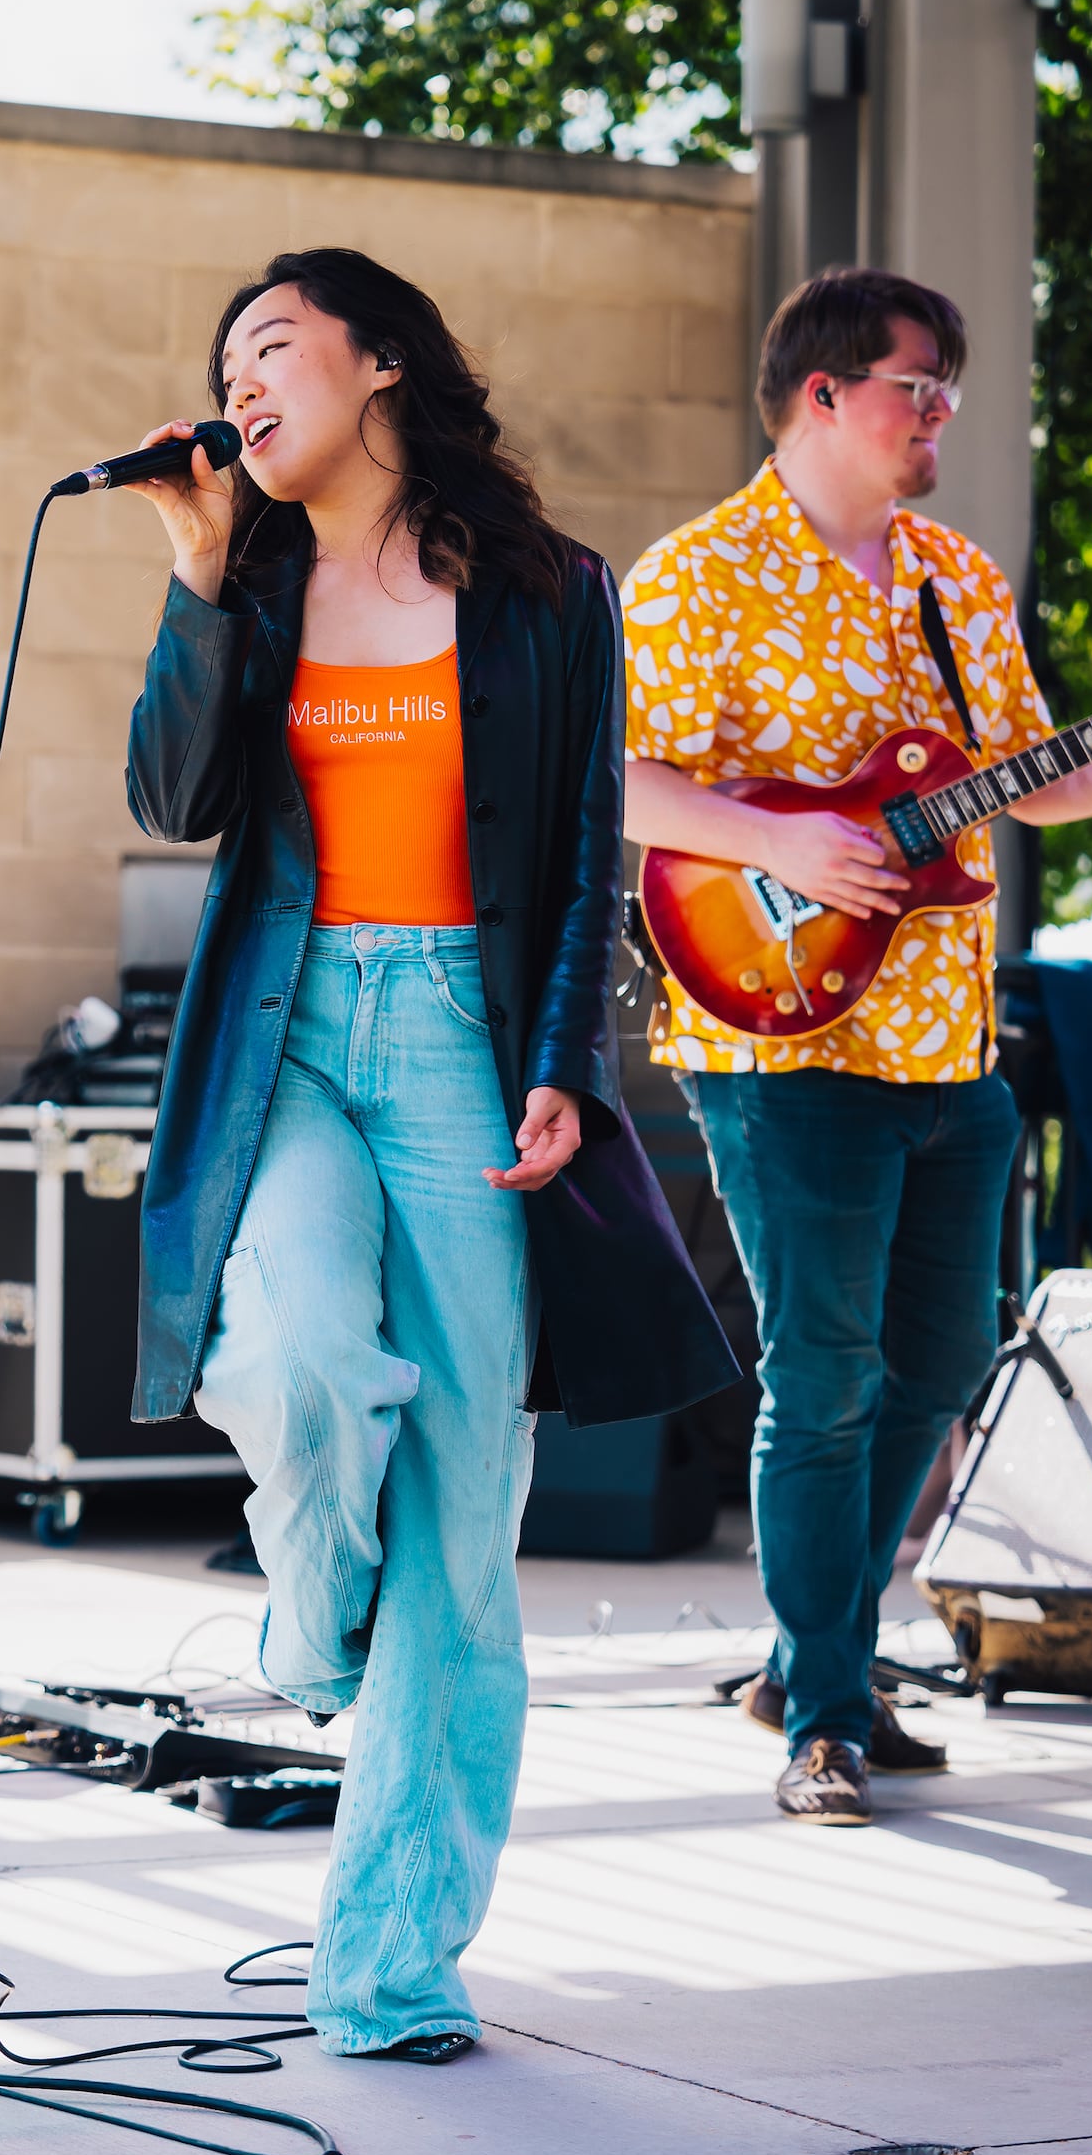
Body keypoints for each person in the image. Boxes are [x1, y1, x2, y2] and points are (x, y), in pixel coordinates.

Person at [124, 247, 734, 2060]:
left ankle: (391, 1966)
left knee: (468, 1519)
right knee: (296, 1346)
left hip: (468, 1038)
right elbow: (174, 803)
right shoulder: (256, 573)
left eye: (275, 346)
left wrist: (565, 1063)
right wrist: (197, 572)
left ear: (378, 363)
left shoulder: (550, 592)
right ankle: (311, 1613)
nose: (242, 382)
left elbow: (582, 846)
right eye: (225, 359)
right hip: (296, 1031)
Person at [622, 267, 1092, 1827]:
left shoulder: (955, 577)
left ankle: (804, 1651)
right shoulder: (700, 574)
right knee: (822, 1375)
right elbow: (612, 778)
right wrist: (802, 851)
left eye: (949, 390)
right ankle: (826, 1708)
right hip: (772, 1036)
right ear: (823, 391)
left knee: (946, 1360)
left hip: (946, 1036)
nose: (941, 416)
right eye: (920, 384)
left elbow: (1024, 784)